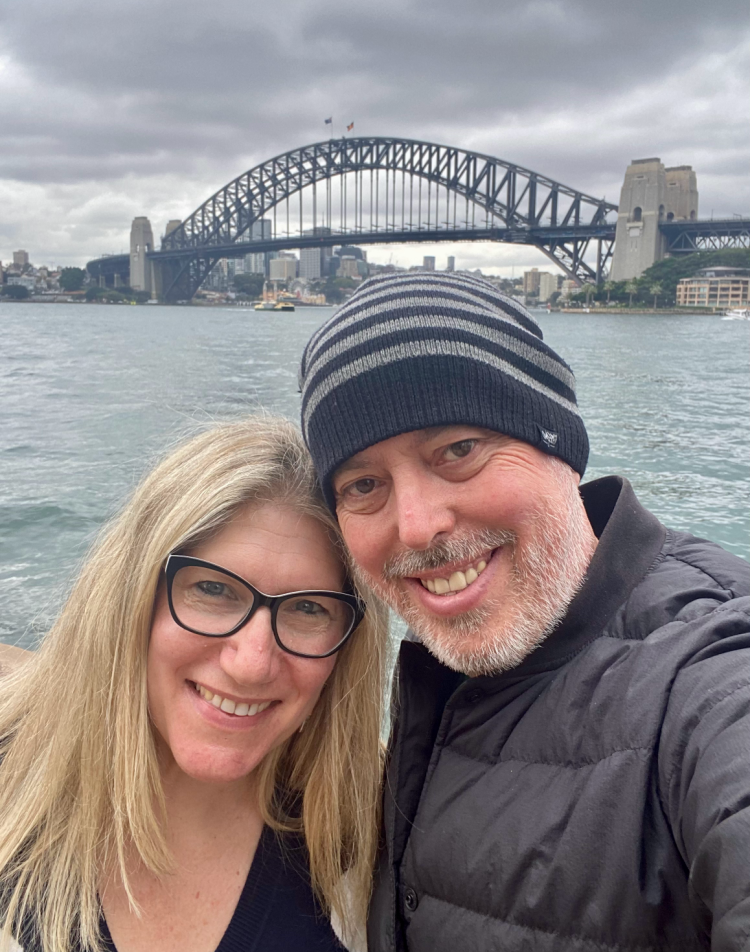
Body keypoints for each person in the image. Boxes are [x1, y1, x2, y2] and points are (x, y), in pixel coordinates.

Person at [298, 270, 750, 952]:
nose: (416, 527)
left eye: (459, 450)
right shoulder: (434, 688)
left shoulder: (710, 674)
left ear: (560, 445)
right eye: (364, 484)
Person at [0, 417, 388, 952]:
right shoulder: (13, 784)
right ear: (130, 594)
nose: (252, 664)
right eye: (212, 589)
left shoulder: (359, 832)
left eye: (308, 608)